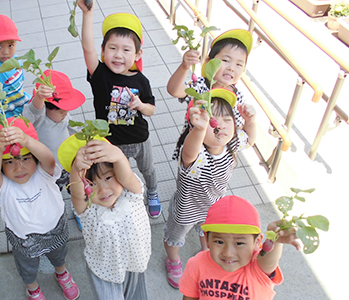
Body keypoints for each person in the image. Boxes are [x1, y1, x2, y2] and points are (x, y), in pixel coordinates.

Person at [163, 88, 257, 289]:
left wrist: (250, 120)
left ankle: (206, 253)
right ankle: (172, 260)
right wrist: (198, 129)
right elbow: (189, 153)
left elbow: (250, 139)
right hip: (186, 208)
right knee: (175, 236)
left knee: (207, 231)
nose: (220, 125)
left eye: (227, 119)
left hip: (213, 206)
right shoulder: (196, 154)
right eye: (212, 120)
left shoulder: (232, 144)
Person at [78, 0, 161, 218]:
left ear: (137, 54)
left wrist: (140, 105)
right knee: (115, 173)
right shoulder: (100, 75)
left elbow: (151, 110)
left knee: (148, 170)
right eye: (112, 48)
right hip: (111, 142)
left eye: (126, 50)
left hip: (140, 138)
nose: (118, 55)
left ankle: (152, 192)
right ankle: (122, 196)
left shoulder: (141, 80)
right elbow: (88, 47)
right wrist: (88, 14)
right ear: (103, 51)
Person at [0, 117, 79, 300]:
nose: (19, 167)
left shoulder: (44, 172)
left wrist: (27, 140)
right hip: (23, 237)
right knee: (27, 266)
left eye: (25, 158)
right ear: (2, 167)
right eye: (9, 162)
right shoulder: (4, 186)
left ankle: (62, 273)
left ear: (35, 158)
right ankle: (33, 288)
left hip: (56, 227)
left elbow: (49, 159)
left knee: (59, 255)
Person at [58, 133, 151, 300]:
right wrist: (76, 170)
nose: (103, 190)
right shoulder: (89, 209)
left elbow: (127, 175)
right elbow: (79, 195)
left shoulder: (132, 193)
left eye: (108, 177)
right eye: (91, 184)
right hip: (105, 270)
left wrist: (118, 156)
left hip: (134, 262)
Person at [179, 195, 301, 299]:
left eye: (239, 243)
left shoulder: (257, 268)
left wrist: (276, 239)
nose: (228, 253)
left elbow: (268, 262)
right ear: (207, 239)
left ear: (257, 241)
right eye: (219, 242)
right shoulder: (197, 264)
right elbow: (190, 296)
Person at [167, 29, 253, 160]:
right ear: (208, 61)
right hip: (193, 153)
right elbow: (174, 90)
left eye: (239, 64)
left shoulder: (237, 96)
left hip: (220, 155)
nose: (231, 68)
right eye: (225, 60)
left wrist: (249, 119)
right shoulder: (200, 86)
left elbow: (239, 129)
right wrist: (184, 66)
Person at [22, 69, 86, 230]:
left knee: (77, 189)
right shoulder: (39, 118)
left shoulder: (63, 116)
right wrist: (39, 97)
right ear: (46, 107)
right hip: (48, 171)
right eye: (61, 111)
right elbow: (33, 110)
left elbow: (70, 127)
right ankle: (55, 217)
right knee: (52, 195)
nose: (66, 114)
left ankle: (78, 211)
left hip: (67, 164)